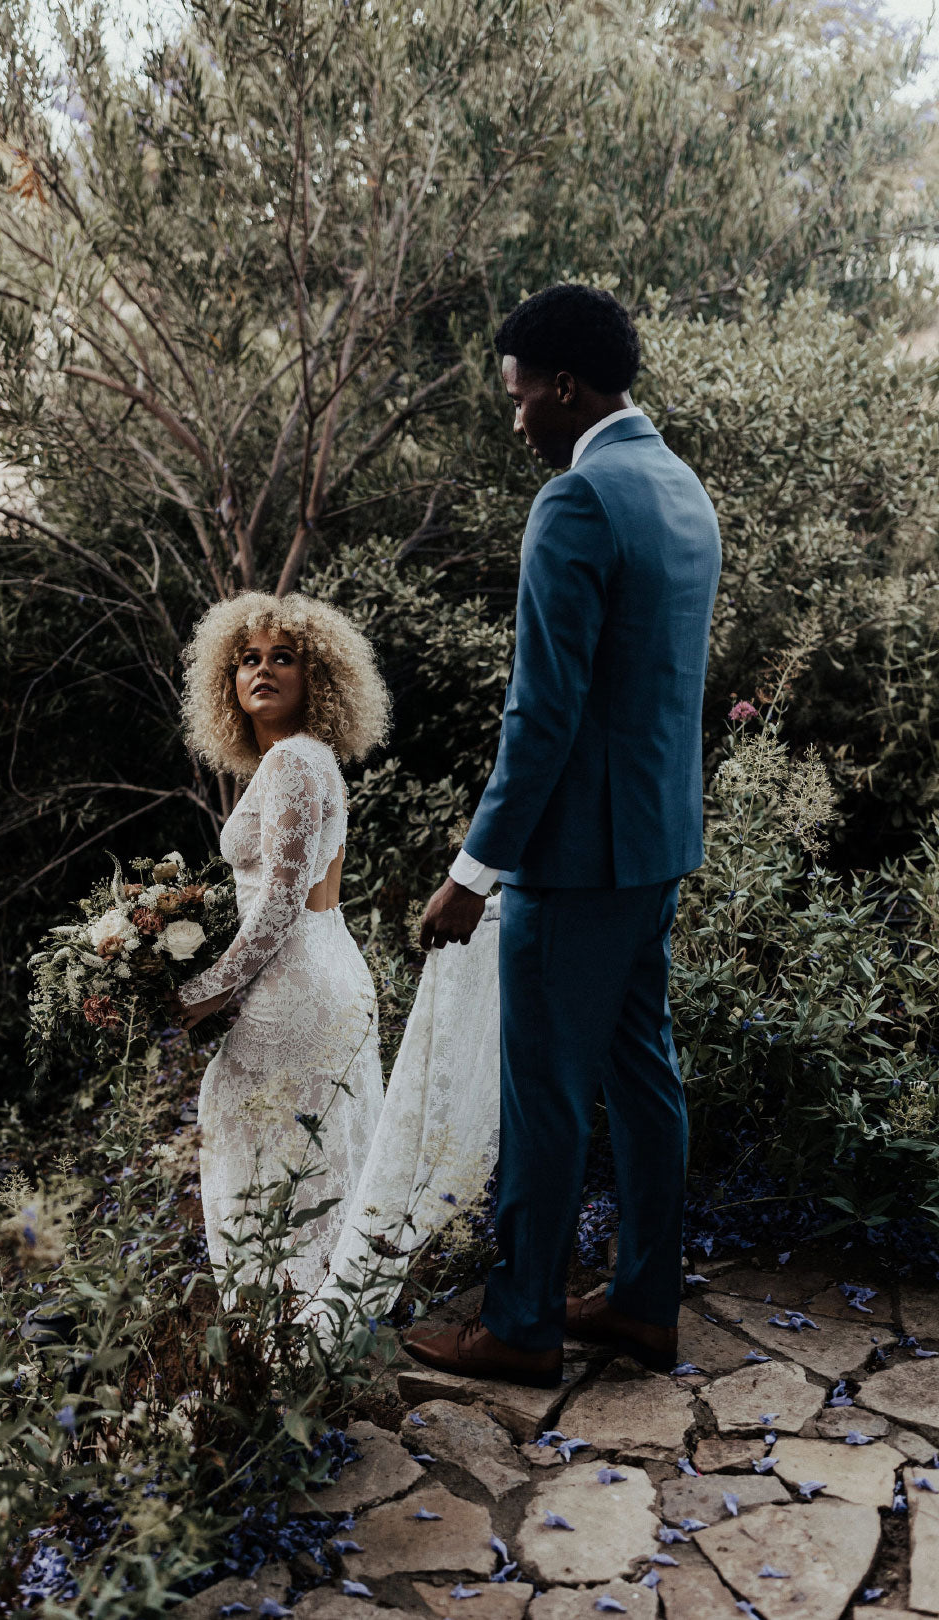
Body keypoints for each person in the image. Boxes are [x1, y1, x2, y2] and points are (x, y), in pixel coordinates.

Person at [405, 283, 721, 1382]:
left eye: (519, 395)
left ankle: (522, 1324)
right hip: (656, 845)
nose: (516, 418)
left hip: (577, 858)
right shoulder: (683, 491)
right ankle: (643, 1304)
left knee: (544, 1089)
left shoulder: (579, 501)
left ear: (567, 386)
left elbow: (544, 713)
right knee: (643, 1077)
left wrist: (472, 872)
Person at [176, 592, 390, 1294]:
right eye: (247, 659)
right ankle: (312, 1326)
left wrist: (207, 992)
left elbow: (277, 904)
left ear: (317, 676)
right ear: (228, 681)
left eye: (282, 657)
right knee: (305, 1153)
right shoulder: (307, 759)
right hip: (325, 969)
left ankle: (288, 1331)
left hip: (294, 984)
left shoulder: (294, 761)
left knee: (274, 1156)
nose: (261, 670)